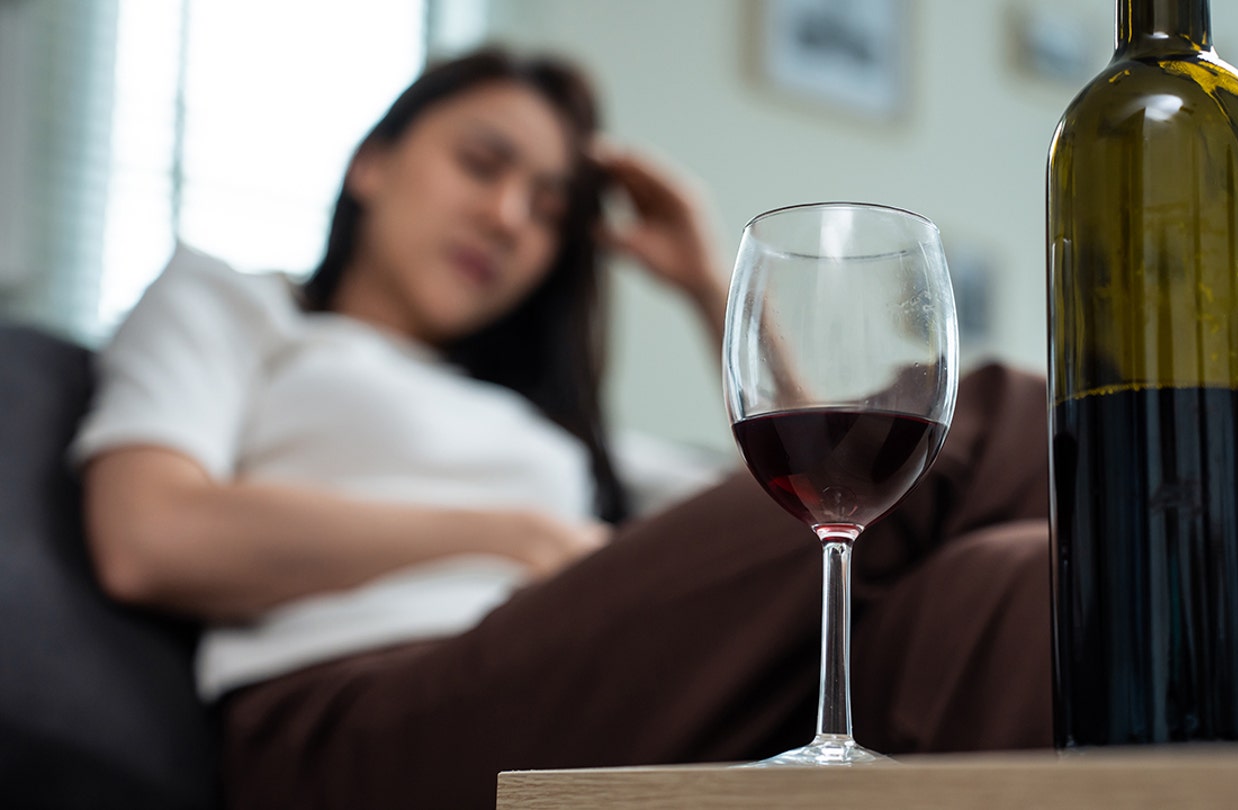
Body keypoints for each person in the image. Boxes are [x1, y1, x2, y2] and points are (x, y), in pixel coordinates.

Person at [73, 47, 1053, 810]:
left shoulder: (540, 428)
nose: (509, 217)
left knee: (1008, 583)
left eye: (548, 208)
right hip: (351, 731)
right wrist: (516, 537)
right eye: (480, 164)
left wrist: (707, 280)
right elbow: (148, 535)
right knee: (997, 412)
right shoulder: (239, 306)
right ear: (373, 160)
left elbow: (828, 506)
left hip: (556, 677)